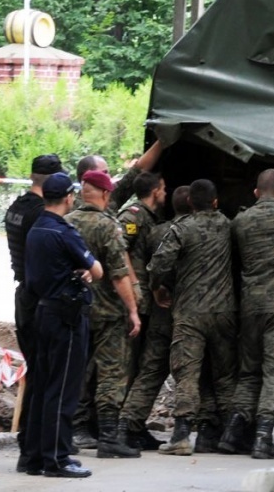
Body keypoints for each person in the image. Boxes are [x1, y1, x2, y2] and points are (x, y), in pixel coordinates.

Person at [219, 169, 274, 459]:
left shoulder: (241, 221)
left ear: (256, 193)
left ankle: (232, 432)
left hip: (251, 307)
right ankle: (262, 437)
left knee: (249, 372)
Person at [147, 179, 238, 456]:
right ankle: (229, 434)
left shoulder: (182, 228)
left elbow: (159, 263)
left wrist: (157, 288)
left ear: (189, 202)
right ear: (215, 201)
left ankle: (182, 435)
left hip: (190, 314)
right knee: (224, 375)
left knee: (187, 373)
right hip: (223, 312)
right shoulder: (227, 225)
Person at [23, 172, 103, 478]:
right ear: (69, 198)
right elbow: (97, 269)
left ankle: (34, 456)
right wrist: (84, 270)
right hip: (65, 318)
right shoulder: (63, 232)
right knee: (64, 389)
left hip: (42, 311)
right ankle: (57, 458)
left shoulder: (36, 229)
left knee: (42, 387)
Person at [65, 170, 142, 459]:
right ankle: (108, 437)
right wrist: (132, 309)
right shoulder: (108, 226)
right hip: (108, 314)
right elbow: (119, 275)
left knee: (74, 370)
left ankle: (69, 433)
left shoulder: (66, 222)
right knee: (111, 373)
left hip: (75, 310)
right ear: (106, 194)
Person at [3, 153, 65, 473]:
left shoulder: (16, 207)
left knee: (36, 373)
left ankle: (30, 445)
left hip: (23, 295)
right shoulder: (40, 214)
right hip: (38, 298)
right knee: (44, 377)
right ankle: (32, 447)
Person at [118, 185, 189, 450]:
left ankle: (127, 425)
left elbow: (150, 264)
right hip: (191, 314)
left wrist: (156, 288)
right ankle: (196, 430)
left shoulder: (156, 232)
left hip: (162, 314)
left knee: (150, 371)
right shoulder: (209, 230)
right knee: (193, 372)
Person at [115, 171, 167, 450]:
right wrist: (133, 282)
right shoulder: (133, 215)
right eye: (163, 188)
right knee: (128, 364)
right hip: (134, 301)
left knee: (138, 364)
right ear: (155, 190)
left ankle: (132, 425)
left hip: (145, 301)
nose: (166, 193)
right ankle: (118, 426)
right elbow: (119, 246)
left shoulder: (150, 217)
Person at [75, 141, 163, 212]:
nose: (108, 176)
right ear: (87, 175)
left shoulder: (112, 194)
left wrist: (162, 141)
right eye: (104, 173)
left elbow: (138, 170)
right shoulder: (72, 207)